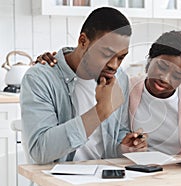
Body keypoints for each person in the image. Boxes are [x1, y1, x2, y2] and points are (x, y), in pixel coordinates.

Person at [37, 30, 181, 155]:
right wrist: (60, 60)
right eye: (161, 66)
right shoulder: (127, 87)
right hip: (139, 176)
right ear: (150, 60)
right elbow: (89, 64)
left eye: (176, 74)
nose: (164, 79)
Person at [20, 7, 147, 165]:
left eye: (121, 57)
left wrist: (124, 147)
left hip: (107, 177)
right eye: (106, 54)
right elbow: (39, 150)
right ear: (83, 41)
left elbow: (115, 136)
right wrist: (100, 111)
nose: (114, 65)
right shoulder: (40, 79)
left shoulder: (119, 78)